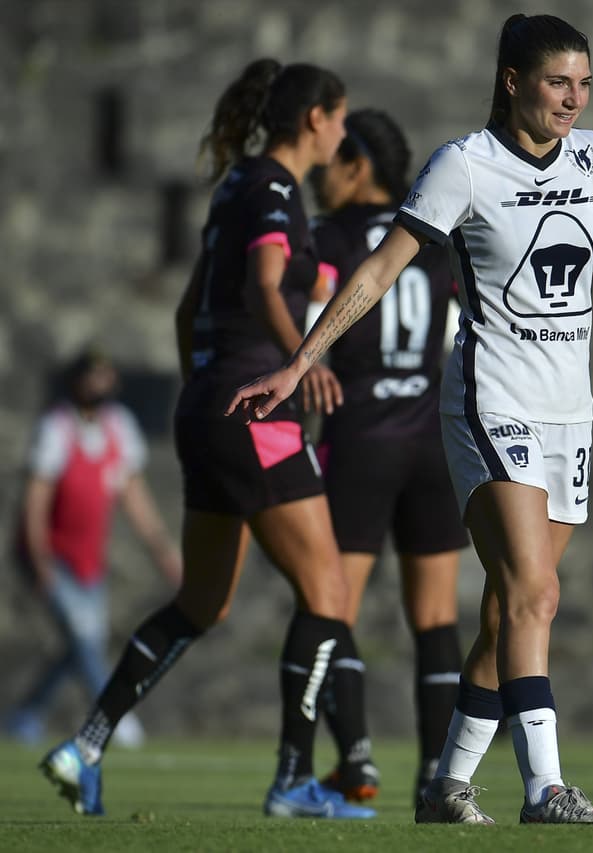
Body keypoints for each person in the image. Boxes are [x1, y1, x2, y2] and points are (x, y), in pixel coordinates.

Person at [228, 13, 593, 827]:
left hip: (570, 409)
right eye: (556, 83)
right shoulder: (464, 167)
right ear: (512, 81)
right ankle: (546, 789)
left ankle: (446, 786)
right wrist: (300, 362)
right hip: (490, 397)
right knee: (538, 591)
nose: (573, 100)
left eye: (583, 85)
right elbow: (377, 273)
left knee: (509, 611)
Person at [39, 58, 375, 820]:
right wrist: (300, 361)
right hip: (257, 412)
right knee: (327, 593)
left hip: (209, 410)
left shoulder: (234, 186)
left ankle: (85, 745)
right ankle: (293, 780)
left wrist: (207, 385)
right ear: (314, 119)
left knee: (201, 601)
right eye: (340, 116)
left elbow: (190, 307)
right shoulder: (273, 189)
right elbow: (263, 285)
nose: (344, 132)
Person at [305, 108, 471, 808]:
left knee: (331, 603)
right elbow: (460, 335)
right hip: (431, 439)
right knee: (435, 616)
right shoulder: (432, 240)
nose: (320, 177)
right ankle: (439, 774)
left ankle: (357, 759)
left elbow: (317, 319)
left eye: (331, 163)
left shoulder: (333, 237)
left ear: (360, 165)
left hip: (361, 435)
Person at [6, 348, 182, 749]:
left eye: (105, 376)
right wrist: (39, 561)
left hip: (89, 560)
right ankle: (113, 717)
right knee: (83, 636)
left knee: (82, 642)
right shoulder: (56, 428)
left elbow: (135, 499)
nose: (99, 385)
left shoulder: (119, 428)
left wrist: (163, 551)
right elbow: (35, 500)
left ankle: (27, 714)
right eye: (92, 377)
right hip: (52, 557)